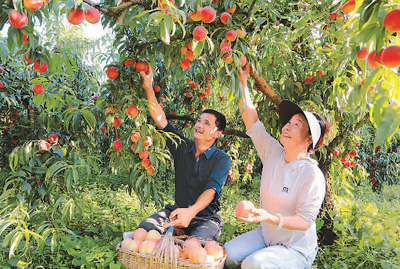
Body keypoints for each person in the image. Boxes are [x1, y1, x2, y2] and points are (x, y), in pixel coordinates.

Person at [223, 62, 331, 268]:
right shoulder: (273, 152)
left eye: (296, 124)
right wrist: (243, 83)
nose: (288, 126)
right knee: (227, 254)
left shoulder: (311, 174)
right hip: (266, 235)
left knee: (253, 264)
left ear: (309, 139)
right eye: (288, 122)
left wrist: (270, 217)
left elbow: (304, 221)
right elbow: (252, 121)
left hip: (296, 249)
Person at [134, 64, 231, 241]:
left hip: (205, 218)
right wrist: (148, 87)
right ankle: (177, 235)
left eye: (207, 123)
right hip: (176, 212)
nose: (199, 125)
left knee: (196, 244)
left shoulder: (221, 159)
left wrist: (190, 213)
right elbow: (160, 119)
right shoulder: (182, 146)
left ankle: (182, 237)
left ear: (217, 134)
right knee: (147, 228)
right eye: (199, 120)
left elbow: (211, 190)